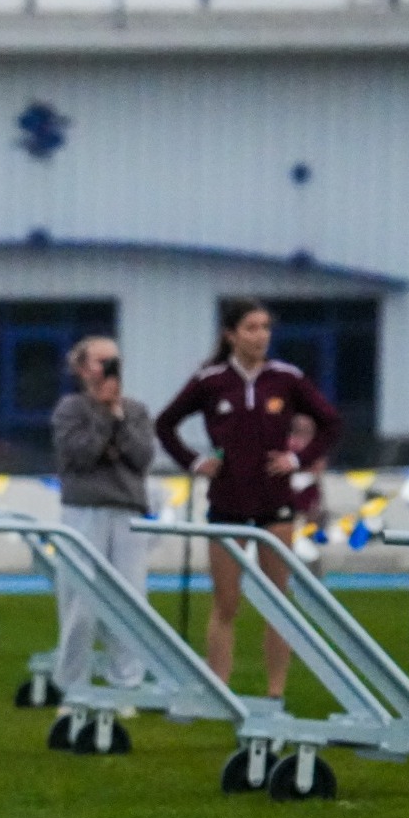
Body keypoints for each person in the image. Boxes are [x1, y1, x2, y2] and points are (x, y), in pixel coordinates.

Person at [156, 299, 341, 702]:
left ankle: (276, 693)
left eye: (265, 328)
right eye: (251, 328)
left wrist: (297, 459)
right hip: (227, 504)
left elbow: (331, 423)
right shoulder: (210, 381)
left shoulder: (286, 378)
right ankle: (219, 691)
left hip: (276, 504)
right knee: (226, 603)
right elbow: (165, 424)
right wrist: (195, 462)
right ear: (231, 334)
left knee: (278, 601)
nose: (261, 336)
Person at [50, 335, 155, 694]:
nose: (110, 369)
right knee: (79, 600)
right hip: (84, 508)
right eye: (101, 361)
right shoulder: (71, 410)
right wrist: (103, 417)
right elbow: (81, 455)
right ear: (82, 368)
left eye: (114, 361)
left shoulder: (135, 410)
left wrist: (117, 417)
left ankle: (126, 680)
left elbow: (141, 457)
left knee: (130, 597)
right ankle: (71, 681)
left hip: (127, 509)